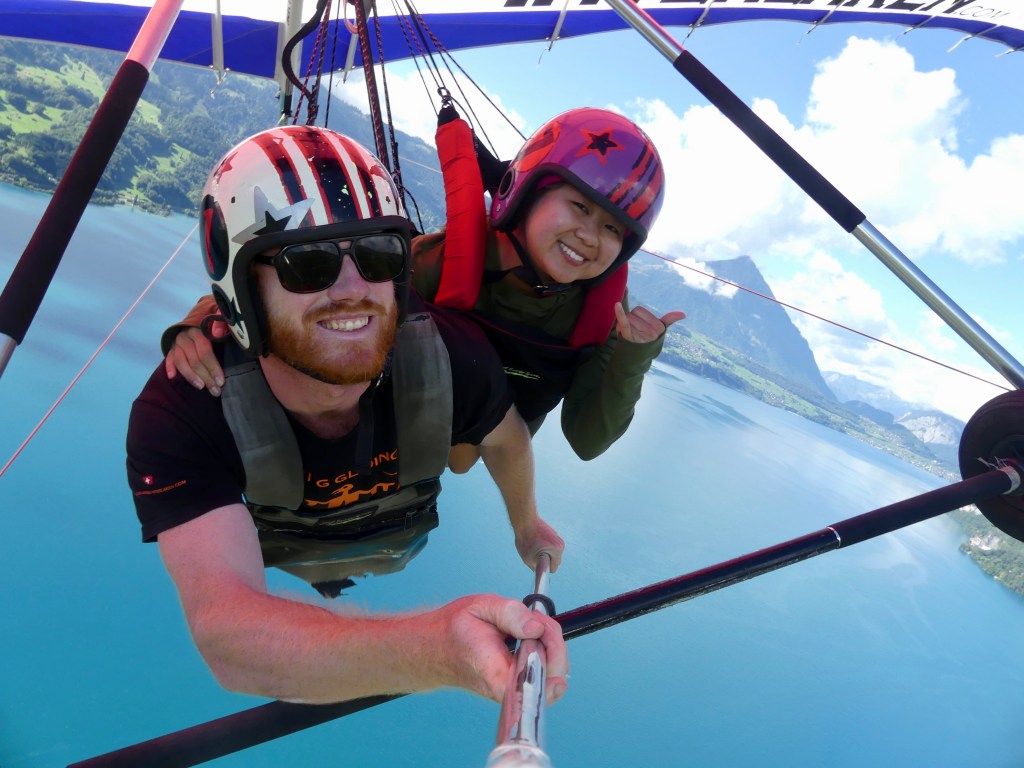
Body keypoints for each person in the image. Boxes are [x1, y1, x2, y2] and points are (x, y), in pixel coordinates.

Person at [126, 125, 567, 705]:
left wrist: (526, 523)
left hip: (383, 535)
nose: (354, 289)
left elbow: (506, 441)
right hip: (312, 548)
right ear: (243, 289)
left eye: (378, 254)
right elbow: (229, 637)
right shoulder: (185, 407)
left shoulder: (450, 358)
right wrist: (438, 648)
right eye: (307, 265)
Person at [163, 108, 683, 471]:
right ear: (527, 193)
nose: (590, 236)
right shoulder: (443, 262)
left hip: (485, 428)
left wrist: (634, 356)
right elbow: (318, 289)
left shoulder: (602, 319)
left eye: (615, 229)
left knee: (461, 457)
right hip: (416, 409)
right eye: (580, 207)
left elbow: (587, 441)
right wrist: (198, 324)